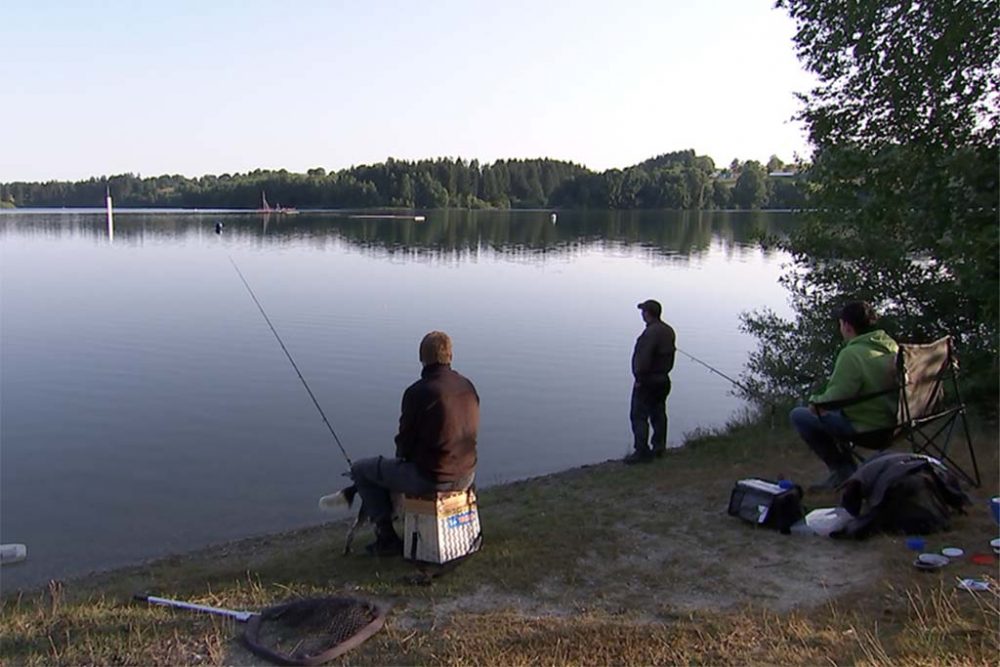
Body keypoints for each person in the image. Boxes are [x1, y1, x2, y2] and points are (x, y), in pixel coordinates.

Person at [350, 331, 480, 555]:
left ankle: (387, 539)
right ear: (451, 355)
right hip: (467, 474)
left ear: (422, 358)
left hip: (434, 478)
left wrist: (400, 464)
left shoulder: (417, 392)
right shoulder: (468, 386)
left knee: (361, 470)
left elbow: (404, 442)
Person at [790, 301, 899, 491]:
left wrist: (815, 402)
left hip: (870, 428)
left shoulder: (851, 354)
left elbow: (836, 396)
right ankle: (846, 470)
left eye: (840, 323)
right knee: (825, 411)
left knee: (799, 415)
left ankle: (843, 472)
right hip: (897, 421)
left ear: (847, 326)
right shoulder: (891, 346)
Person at [625, 299, 677, 464]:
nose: (642, 315)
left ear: (648, 314)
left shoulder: (650, 334)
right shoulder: (668, 331)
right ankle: (659, 448)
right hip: (663, 380)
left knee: (638, 416)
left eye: (643, 312)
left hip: (647, 381)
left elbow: (643, 359)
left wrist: (639, 378)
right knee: (658, 414)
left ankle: (641, 452)